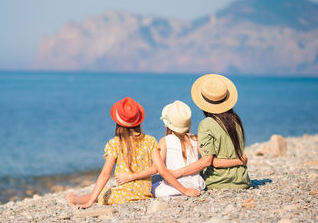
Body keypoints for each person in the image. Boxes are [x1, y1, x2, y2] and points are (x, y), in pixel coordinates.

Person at [66, 97, 200, 208]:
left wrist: (90, 202)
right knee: (104, 191)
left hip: (122, 196)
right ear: (138, 120)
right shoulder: (150, 140)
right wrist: (185, 190)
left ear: (118, 122)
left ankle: (75, 198)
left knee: (101, 194)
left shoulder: (114, 143)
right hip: (144, 194)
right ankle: (75, 197)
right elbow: (162, 170)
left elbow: (105, 175)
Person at [115, 100, 246, 196]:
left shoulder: (164, 141)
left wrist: (131, 176)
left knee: (150, 184)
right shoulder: (196, 139)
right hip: (198, 185)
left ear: (167, 124)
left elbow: (156, 168)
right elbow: (205, 161)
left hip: (173, 188)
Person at [170, 74, 251, 189]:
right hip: (242, 180)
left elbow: (209, 162)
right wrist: (240, 161)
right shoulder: (236, 120)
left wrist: (177, 173)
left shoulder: (206, 124)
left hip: (218, 182)